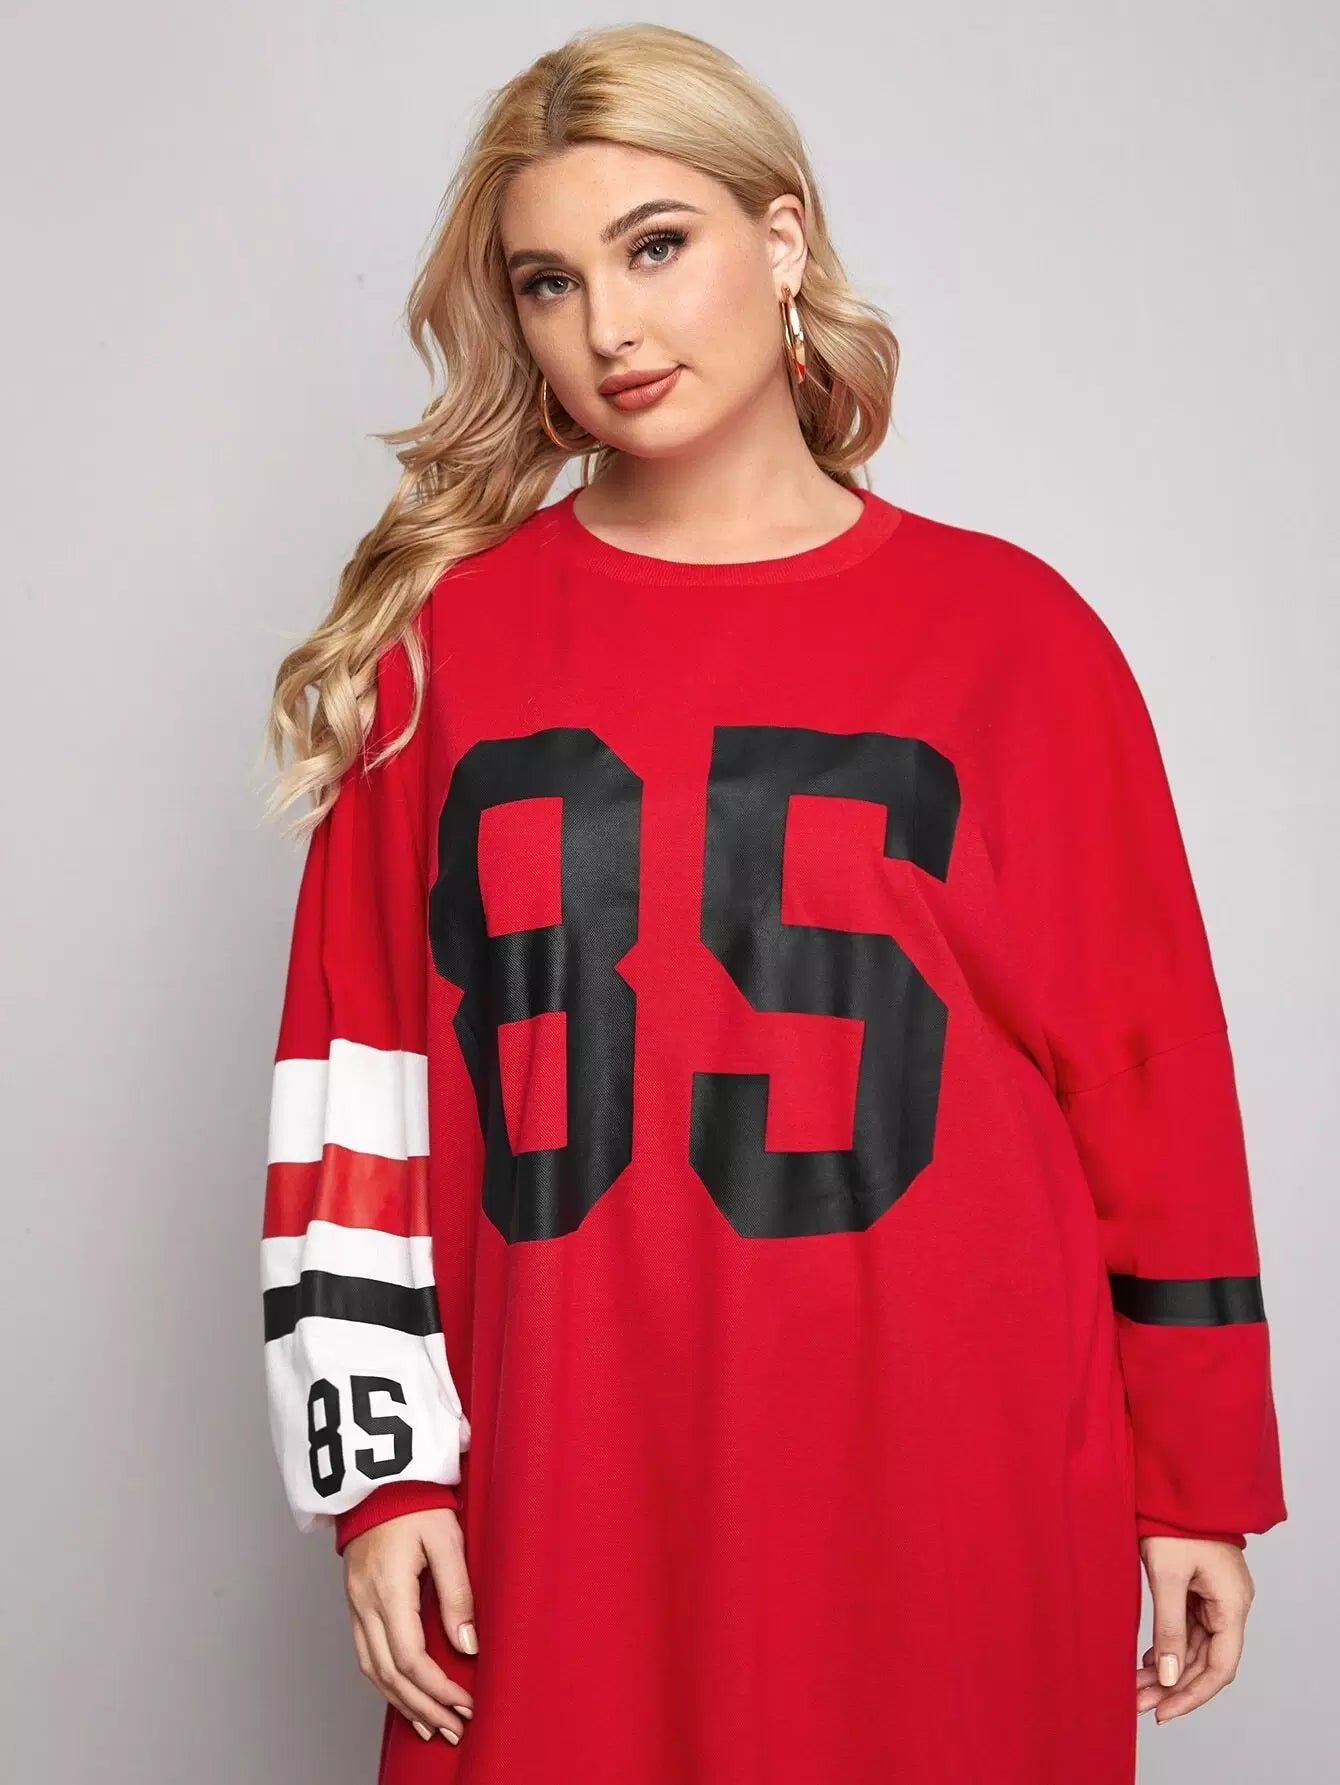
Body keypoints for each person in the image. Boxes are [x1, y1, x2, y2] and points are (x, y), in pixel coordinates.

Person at [257, 22, 1287, 1785]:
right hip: (571, 1464)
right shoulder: (444, 653)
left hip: (952, 1471)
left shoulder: (1019, 639)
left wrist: (1196, 1480)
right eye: (551, 282)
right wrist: (381, 1475)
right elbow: (356, 1083)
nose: (612, 327)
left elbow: (1150, 1078)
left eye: (657, 245)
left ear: (783, 238)